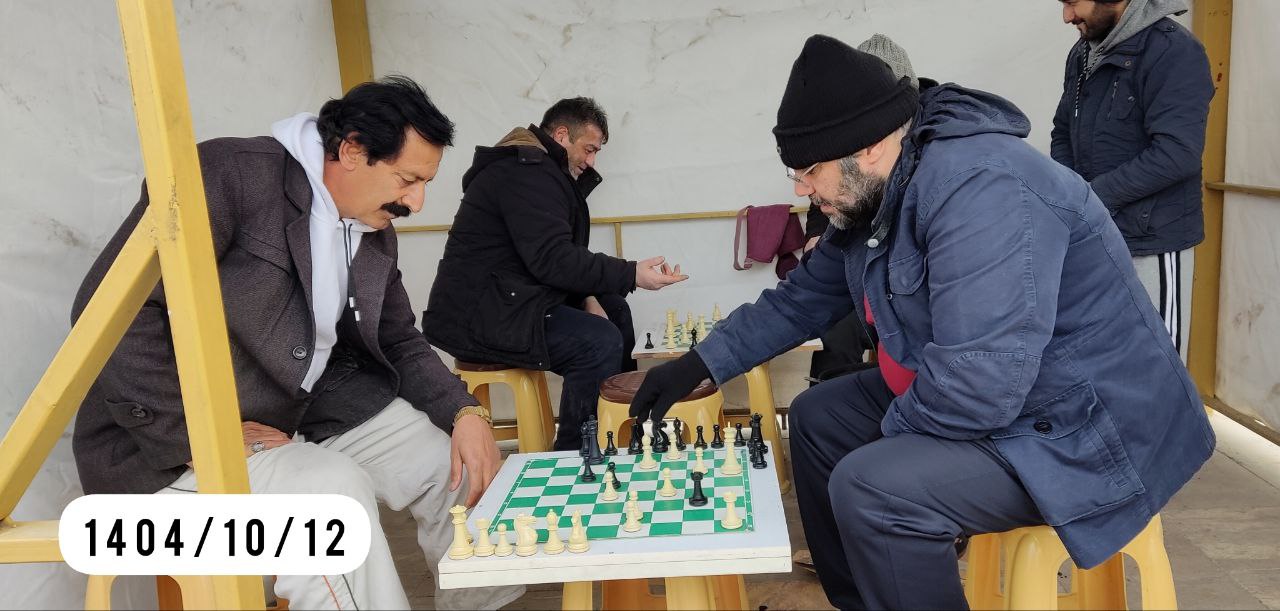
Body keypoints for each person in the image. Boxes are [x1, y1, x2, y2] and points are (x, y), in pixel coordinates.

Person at [630, 35, 1214, 609]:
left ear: (870, 147)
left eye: (809, 170)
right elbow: (799, 301)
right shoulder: (878, 190)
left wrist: (886, 449)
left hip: (1084, 428)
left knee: (873, 489)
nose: (802, 189)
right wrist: (697, 363)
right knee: (819, 418)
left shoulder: (983, 188)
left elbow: (978, 383)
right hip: (1015, 400)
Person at [71, 76, 521, 610]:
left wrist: (465, 413)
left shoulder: (371, 226)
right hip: (162, 447)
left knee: (459, 462)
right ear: (351, 150)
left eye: (424, 183)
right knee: (331, 498)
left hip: (299, 413)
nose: (417, 202)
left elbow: (398, 337)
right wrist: (197, 434)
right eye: (408, 179)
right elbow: (111, 309)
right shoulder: (229, 175)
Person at [424, 97, 687, 451]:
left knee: (615, 311)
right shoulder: (526, 173)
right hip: (479, 316)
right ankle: (576, 455)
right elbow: (552, 259)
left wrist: (588, 297)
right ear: (562, 135)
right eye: (589, 149)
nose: (591, 162)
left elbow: (553, 256)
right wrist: (631, 273)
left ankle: (620, 434)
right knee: (597, 342)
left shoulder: (542, 172)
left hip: (513, 299)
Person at [1051, 0, 1213, 359]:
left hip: (1151, 242)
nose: (1066, 17)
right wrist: (1073, 195)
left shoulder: (1174, 51)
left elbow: (1177, 153)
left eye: (1072, 3)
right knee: (1101, 360)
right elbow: (1063, 131)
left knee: (1158, 364)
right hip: (1093, 236)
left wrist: (1090, 198)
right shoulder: (1082, 53)